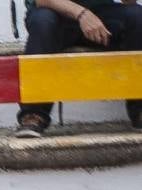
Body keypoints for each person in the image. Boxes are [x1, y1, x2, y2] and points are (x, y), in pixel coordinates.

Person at [13, 0, 142, 137]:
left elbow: (129, 3)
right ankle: (33, 114)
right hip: (55, 14)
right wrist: (83, 14)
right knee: (43, 20)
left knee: (137, 15)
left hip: (100, 17)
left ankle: (139, 110)